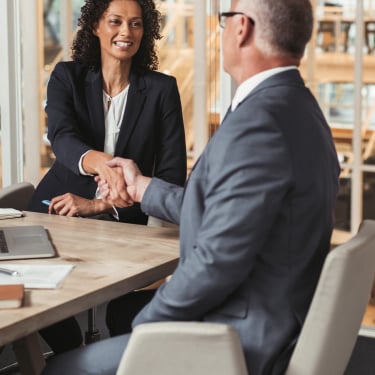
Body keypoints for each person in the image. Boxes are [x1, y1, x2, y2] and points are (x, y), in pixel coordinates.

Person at [41, 0, 340, 374]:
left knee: (65, 369)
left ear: (242, 28)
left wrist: (147, 326)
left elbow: (215, 263)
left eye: (225, 19)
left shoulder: (258, 123)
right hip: (272, 311)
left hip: (240, 333)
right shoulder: (297, 107)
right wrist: (142, 187)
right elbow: (226, 211)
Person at [30, 0, 187, 354]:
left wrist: (100, 204)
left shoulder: (162, 89)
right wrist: (105, 164)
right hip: (55, 210)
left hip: (124, 220)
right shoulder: (66, 76)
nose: (125, 32)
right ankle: (69, 352)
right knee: (35, 294)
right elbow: (63, 138)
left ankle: (85, 359)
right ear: (96, 27)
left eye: (135, 24)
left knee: (115, 307)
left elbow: (172, 173)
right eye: (115, 21)